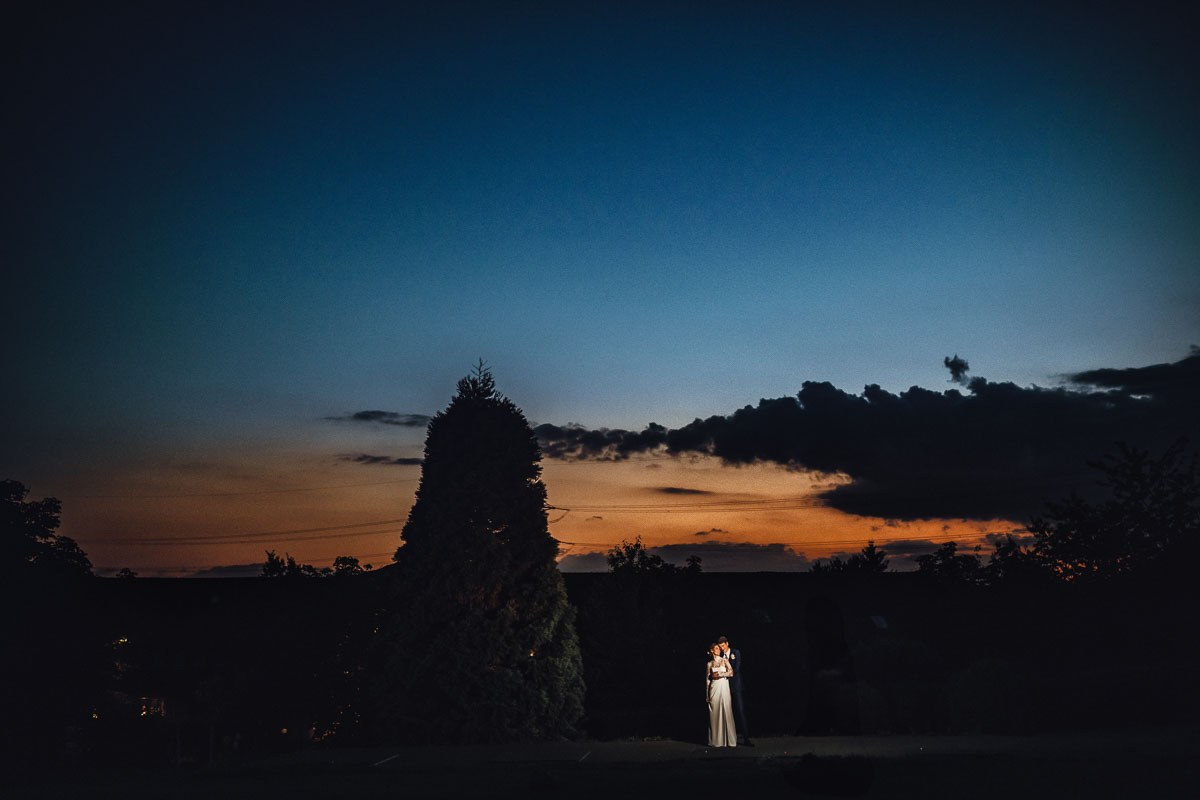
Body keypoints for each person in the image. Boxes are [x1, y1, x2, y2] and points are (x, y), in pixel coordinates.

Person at [718, 635, 751, 745]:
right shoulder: (720, 655)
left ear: (727, 643)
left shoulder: (735, 652)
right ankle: (729, 739)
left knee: (740, 711)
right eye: (720, 647)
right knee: (727, 712)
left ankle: (746, 738)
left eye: (723, 646)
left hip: (736, 686)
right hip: (725, 686)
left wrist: (724, 673)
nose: (722, 649)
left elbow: (736, 669)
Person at [705, 642, 736, 747]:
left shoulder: (724, 660)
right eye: (717, 648)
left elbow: (731, 673)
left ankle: (729, 741)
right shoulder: (709, 664)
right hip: (714, 687)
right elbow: (707, 680)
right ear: (712, 650)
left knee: (726, 709)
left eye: (719, 648)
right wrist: (707, 694)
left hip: (723, 685)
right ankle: (716, 741)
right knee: (714, 712)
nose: (719, 650)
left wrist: (720, 674)